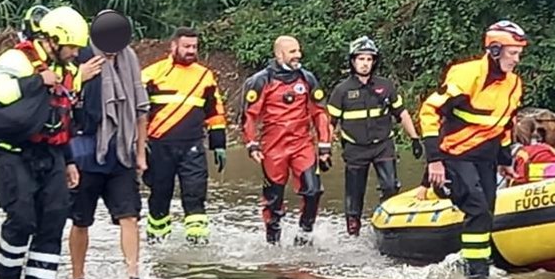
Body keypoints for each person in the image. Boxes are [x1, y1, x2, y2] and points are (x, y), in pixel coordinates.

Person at [0, 5, 87, 279]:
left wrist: (69, 161)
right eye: (72, 47)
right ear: (54, 40)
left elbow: (66, 119)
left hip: (52, 155)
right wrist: (38, 80)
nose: (75, 53)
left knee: (52, 223)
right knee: (22, 220)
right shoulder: (17, 59)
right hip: (14, 153)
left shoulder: (70, 70)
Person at [418, 20, 527, 278]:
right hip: (455, 155)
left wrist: (505, 160)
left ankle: (476, 267)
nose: (517, 60)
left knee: (486, 212)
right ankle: (476, 275)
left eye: (519, 54)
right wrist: (434, 160)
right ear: (495, 50)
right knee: (477, 208)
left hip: (486, 159)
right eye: (513, 53)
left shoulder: (513, 83)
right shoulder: (467, 75)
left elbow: (505, 123)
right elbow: (429, 111)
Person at [67, 10, 154, 279]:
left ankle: (133, 276)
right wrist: (79, 77)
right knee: (81, 220)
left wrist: (140, 154)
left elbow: (141, 110)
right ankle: (78, 277)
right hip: (84, 151)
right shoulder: (79, 57)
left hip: (120, 152)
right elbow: (57, 97)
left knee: (129, 215)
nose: (113, 53)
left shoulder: (129, 60)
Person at [327, 36, 423, 236]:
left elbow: (402, 113)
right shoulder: (342, 90)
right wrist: (324, 150)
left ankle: (386, 224)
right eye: (361, 59)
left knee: (390, 185)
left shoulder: (385, 85)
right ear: (353, 61)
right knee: (355, 193)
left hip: (383, 144)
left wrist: (414, 138)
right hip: (355, 148)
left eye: (369, 59)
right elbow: (329, 123)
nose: (365, 64)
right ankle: (353, 230)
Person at [140, 27, 228, 245]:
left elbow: (215, 111)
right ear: (174, 46)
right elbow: (137, 112)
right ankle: (157, 242)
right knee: (160, 196)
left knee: (195, 195)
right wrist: (137, 146)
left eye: (194, 47)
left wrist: (219, 144)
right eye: (186, 46)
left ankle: (197, 247)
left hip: (193, 146)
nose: (191, 51)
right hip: (159, 146)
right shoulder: (151, 74)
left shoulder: (204, 76)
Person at [242, 35, 332, 246]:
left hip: (302, 144)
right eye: (292, 52)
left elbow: (319, 113)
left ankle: (304, 234)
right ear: (279, 54)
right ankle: (273, 242)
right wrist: (251, 143)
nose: (297, 55)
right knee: (274, 199)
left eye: (298, 51)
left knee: (314, 190)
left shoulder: (307, 78)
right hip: (274, 147)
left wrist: (325, 145)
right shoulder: (262, 80)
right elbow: (249, 115)